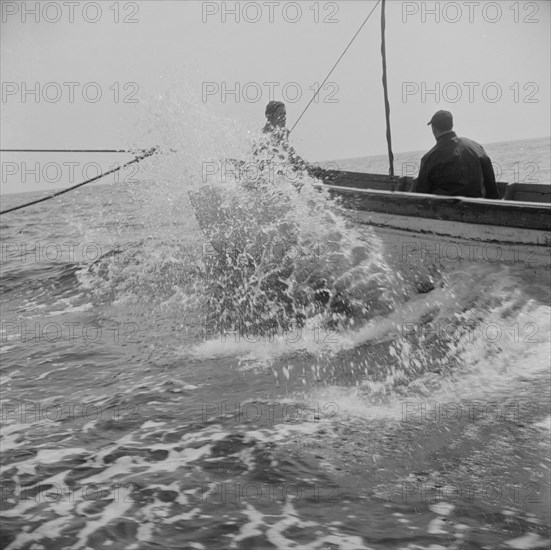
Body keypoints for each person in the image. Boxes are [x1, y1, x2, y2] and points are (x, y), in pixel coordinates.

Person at [408, 111, 499, 199]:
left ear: (434, 130)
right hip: (479, 210)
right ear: (452, 125)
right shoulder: (477, 147)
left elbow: (422, 195)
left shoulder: (428, 158)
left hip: (444, 212)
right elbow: (492, 189)